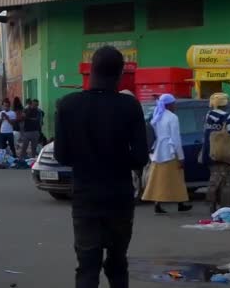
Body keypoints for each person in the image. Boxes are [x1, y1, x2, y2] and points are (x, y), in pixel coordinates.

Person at [54, 46, 149, 288]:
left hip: (85, 197)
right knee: (118, 264)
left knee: (87, 266)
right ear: (119, 75)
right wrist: (115, 158)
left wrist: (88, 157)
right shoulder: (130, 106)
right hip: (119, 198)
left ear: (91, 71)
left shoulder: (68, 105)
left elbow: (62, 155)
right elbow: (140, 157)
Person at [141, 94, 192, 214]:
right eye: (173, 103)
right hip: (170, 151)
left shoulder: (157, 116)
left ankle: (158, 204)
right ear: (169, 105)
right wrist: (181, 156)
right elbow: (176, 139)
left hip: (159, 151)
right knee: (177, 179)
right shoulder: (172, 117)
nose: (175, 106)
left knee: (159, 179)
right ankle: (180, 203)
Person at [203, 92, 230, 213]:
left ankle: (211, 205)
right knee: (227, 182)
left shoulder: (209, 115)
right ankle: (225, 208)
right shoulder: (229, 117)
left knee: (214, 179)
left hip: (210, 152)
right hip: (225, 153)